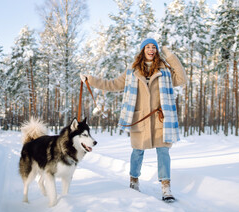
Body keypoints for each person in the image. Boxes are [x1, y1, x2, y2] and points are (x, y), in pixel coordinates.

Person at [80, 38, 188, 202]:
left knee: (163, 152)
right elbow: (113, 84)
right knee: (137, 152)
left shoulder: (165, 70)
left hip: (160, 118)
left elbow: (181, 78)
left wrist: (170, 55)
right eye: (147, 47)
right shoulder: (132, 71)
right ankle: (134, 181)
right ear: (142, 50)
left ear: (157, 51)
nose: (151, 50)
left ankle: (166, 187)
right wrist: (91, 80)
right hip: (139, 119)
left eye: (154, 47)